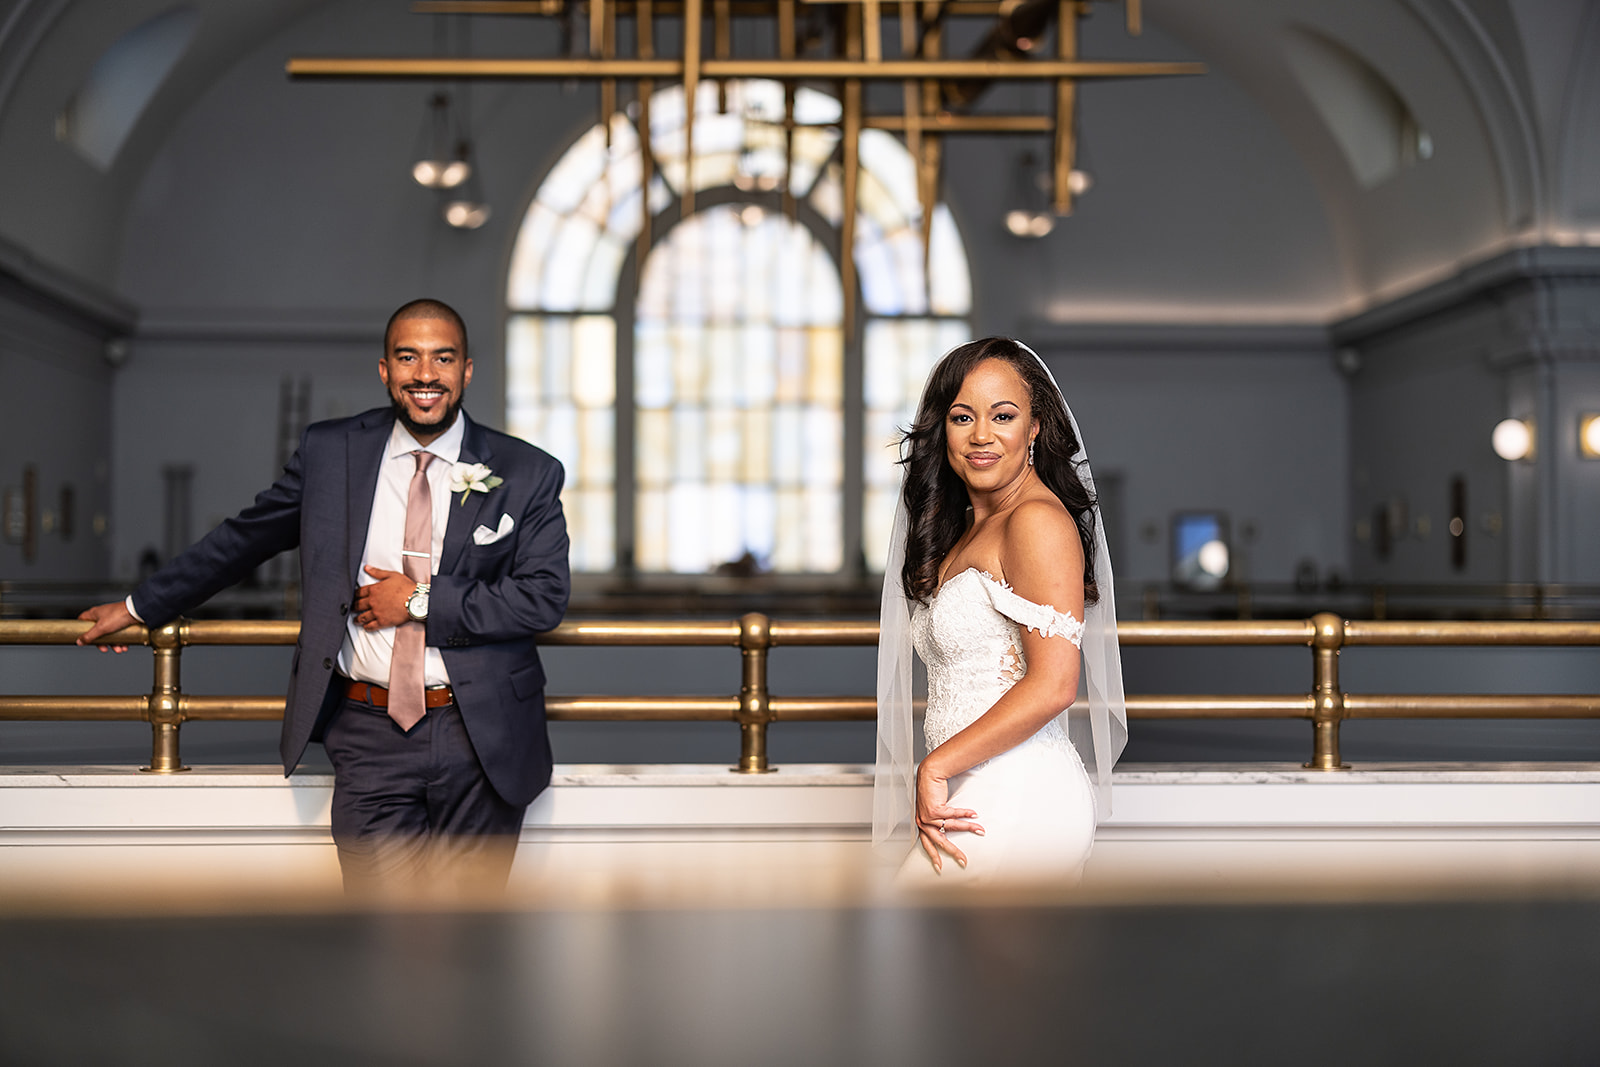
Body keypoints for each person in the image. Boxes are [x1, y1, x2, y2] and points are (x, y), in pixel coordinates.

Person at [77, 299, 570, 894]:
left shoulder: (527, 472)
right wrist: (139, 606)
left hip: (482, 732)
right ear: (384, 369)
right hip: (370, 731)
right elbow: (245, 539)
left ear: (466, 371)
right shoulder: (331, 452)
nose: (425, 374)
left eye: (443, 359)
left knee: (469, 930)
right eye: (407, 357)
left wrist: (418, 600)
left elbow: (543, 598)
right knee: (380, 926)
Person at [874, 337, 1125, 885]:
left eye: (1003, 416)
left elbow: (1055, 684)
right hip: (977, 790)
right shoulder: (971, 527)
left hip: (1021, 790)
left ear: (1035, 427)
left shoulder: (1035, 521)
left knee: (906, 926)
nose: (981, 435)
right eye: (962, 417)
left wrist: (936, 766)